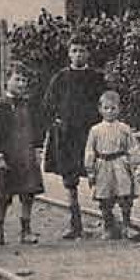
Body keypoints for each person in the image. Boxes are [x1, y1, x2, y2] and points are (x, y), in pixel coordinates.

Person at [41, 30, 105, 240]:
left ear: (88, 54)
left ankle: (107, 217)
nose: (78, 55)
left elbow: (105, 103)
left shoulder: (96, 78)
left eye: (83, 51)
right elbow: (48, 104)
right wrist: (56, 122)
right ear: (69, 53)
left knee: (98, 173)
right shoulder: (61, 78)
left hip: (89, 133)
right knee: (70, 178)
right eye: (75, 51)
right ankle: (74, 221)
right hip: (67, 134)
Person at [0, 66, 44, 245]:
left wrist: (38, 149)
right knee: (4, 194)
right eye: (17, 79)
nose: (21, 84)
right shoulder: (1, 106)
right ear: (7, 81)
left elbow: (38, 128)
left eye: (23, 81)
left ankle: (26, 229)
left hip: (26, 155)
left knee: (28, 193)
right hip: (8, 156)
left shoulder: (30, 105)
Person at [83, 90, 140, 242]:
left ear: (119, 109)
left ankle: (126, 225)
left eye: (113, 108)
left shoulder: (124, 128)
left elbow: (132, 148)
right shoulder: (95, 130)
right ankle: (109, 227)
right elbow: (90, 150)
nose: (110, 112)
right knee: (105, 199)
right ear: (100, 109)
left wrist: (134, 163)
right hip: (103, 165)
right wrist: (90, 170)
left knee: (125, 196)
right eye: (106, 108)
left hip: (120, 165)